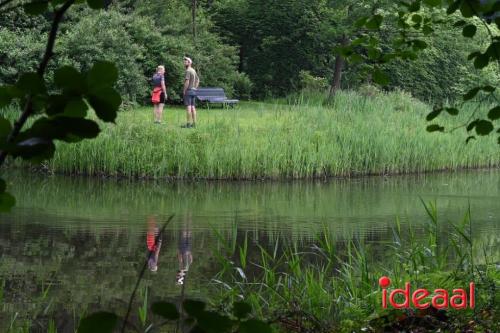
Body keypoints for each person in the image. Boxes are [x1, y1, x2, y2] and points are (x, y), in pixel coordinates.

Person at [181, 57, 199, 128]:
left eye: (186, 61)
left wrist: (184, 90)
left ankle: (188, 124)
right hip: (193, 91)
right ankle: (194, 124)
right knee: (193, 107)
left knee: (188, 107)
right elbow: (198, 80)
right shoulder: (193, 70)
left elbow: (187, 81)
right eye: (184, 61)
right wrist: (195, 88)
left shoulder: (188, 71)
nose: (185, 63)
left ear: (190, 63)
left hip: (188, 91)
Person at [176, 213, 193, 285]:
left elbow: (191, 260)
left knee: (188, 233)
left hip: (188, 250)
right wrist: (178, 251)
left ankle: (189, 218)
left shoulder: (187, 269)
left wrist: (190, 253)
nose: (176, 276)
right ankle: (186, 217)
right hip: (183, 250)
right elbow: (180, 259)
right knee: (184, 233)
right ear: (180, 276)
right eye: (178, 277)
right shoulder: (181, 268)